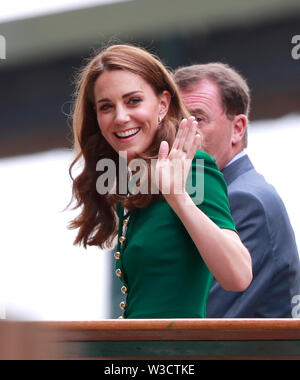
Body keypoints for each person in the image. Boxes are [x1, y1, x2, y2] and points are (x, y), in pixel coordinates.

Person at [68, 44, 252, 319]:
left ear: (163, 105)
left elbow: (238, 275)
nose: (120, 117)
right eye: (106, 107)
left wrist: (177, 195)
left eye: (133, 101)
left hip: (178, 356)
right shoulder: (128, 183)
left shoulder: (194, 168)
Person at [174, 62, 300, 318]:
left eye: (197, 119)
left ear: (238, 128)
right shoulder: (213, 194)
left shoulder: (243, 200)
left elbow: (199, 320)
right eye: (175, 121)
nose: (182, 133)